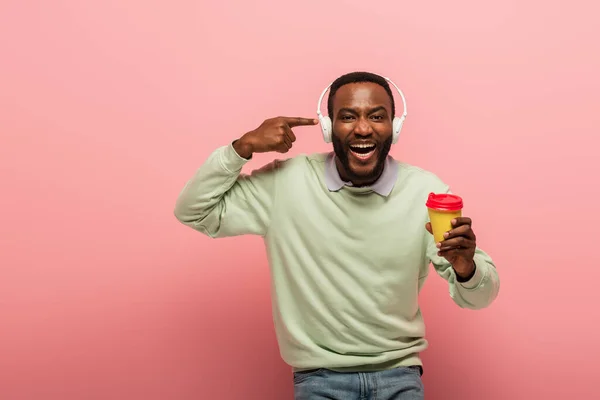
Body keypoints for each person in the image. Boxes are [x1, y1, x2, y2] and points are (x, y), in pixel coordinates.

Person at [174, 71, 500, 399]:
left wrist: (466, 268)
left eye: (377, 116)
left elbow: (480, 297)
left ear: (394, 128)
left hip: (399, 375)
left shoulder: (425, 192)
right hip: (319, 379)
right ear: (329, 127)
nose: (362, 128)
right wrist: (241, 148)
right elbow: (194, 211)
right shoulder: (284, 184)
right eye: (347, 116)